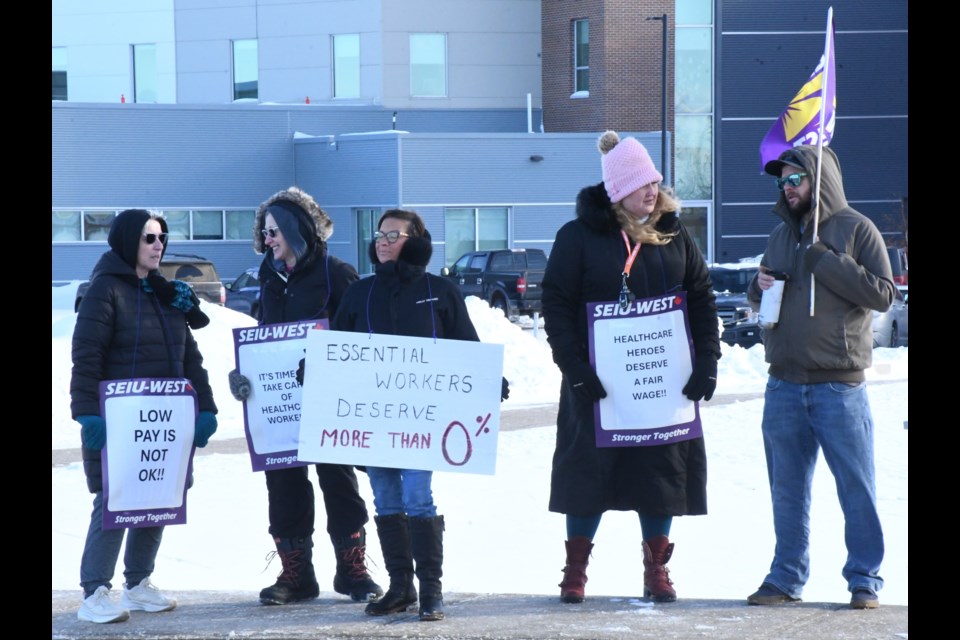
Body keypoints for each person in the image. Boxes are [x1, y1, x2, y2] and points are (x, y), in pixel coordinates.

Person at [541, 131, 721, 604]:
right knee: (586, 474)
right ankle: (575, 569)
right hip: (595, 384)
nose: (652, 191)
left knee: (660, 474)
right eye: (643, 183)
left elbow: (701, 297)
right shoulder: (578, 237)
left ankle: (656, 569)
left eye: (655, 182)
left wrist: (708, 361)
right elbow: (555, 305)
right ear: (618, 189)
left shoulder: (674, 233)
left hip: (661, 382)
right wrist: (573, 366)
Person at [332, 209, 509, 622]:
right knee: (386, 497)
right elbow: (338, 346)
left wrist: (487, 380)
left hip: (424, 422)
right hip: (375, 421)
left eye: (393, 234)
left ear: (414, 240)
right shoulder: (361, 293)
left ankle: (431, 589)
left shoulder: (440, 290)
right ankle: (400, 586)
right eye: (379, 234)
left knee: (417, 497)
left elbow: (466, 345)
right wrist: (316, 369)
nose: (382, 240)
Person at [745, 145, 893, 610]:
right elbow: (765, 294)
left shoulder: (856, 229)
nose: (787, 189)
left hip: (839, 386)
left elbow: (884, 295)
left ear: (819, 179)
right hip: (783, 383)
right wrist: (757, 286)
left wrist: (825, 259)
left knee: (856, 486)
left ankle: (864, 578)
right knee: (787, 490)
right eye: (781, 182)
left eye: (795, 180)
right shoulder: (779, 235)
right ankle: (786, 577)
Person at [226, 187, 383, 606]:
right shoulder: (268, 276)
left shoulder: (337, 273)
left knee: (339, 480)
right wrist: (245, 375)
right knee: (283, 481)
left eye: (274, 230)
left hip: (328, 397)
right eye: (265, 232)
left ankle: (353, 571)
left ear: (297, 230)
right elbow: (264, 337)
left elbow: (359, 336)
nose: (267, 239)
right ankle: (297, 575)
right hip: (281, 406)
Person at [71, 209, 219, 623]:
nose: (158, 246)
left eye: (161, 239)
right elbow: (86, 356)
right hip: (118, 420)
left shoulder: (166, 294)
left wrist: (205, 407)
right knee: (115, 500)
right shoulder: (104, 291)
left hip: (165, 421)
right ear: (127, 242)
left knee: (158, 496)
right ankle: (95, 591)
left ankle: (138, 583)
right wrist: (86, 414)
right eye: (149, 238)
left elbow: (191, 358)